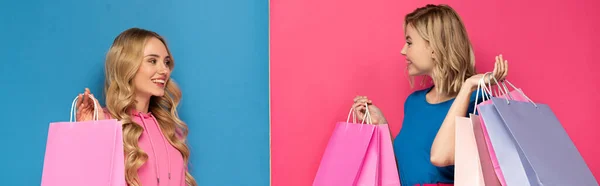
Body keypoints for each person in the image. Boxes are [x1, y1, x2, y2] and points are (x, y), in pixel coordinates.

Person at [352, 4, 508, 186]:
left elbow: (442, 157)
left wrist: (467, 88)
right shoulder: (413, 103)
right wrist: (382, 126)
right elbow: (405, 170)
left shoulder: (478, 101)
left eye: (409, 42)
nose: (403, 50)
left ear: (433, 48)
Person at [76, 28, 197, 186]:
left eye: (166, 62)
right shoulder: (106, 122)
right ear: (127, 65)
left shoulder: (171, 131)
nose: (164, 70)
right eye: (152, 61)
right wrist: (95, 132)